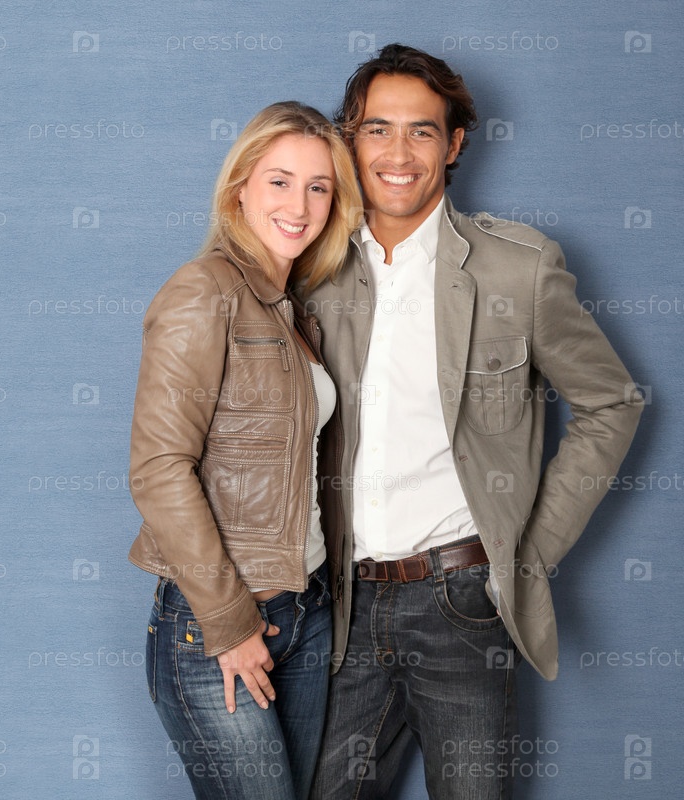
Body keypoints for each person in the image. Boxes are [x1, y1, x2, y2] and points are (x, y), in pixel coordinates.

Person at [302, 44, 644, 799]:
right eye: (377, 129)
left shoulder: (519, 268)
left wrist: (525, 555)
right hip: (337, 607)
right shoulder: (308, 270)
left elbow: (611, 401)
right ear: (350, 140)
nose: (398, 154)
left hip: (461, 604)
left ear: (454, 144)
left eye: (421, 131)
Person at [128, 101, 362, 800]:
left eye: (319, 187)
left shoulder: (291, 313)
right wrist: (230, 625)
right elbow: (160, 468)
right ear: (240, 189)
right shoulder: (204, 291)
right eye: (279, 182)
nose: (300, 205)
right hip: (217, 623)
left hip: (305, 614)